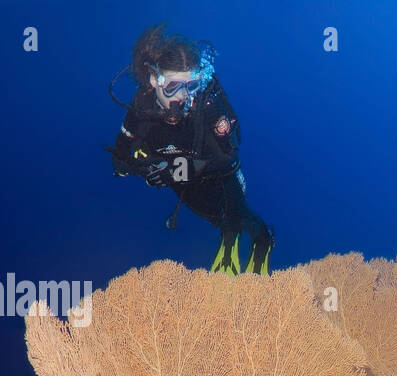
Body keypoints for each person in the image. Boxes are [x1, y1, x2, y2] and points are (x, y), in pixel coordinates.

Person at [107, 25, 273, 275]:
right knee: (214, 218)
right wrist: (148, 170)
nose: (183, 97)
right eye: (173, 87)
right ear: (154, 80)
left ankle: (261, 239)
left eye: (191, 86)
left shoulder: (206, 103)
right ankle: (235, 231)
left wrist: (174, 170)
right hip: (184, 184)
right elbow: (119, 160)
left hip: (220, 177)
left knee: (235, 215)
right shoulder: (141, 107)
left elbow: (228, 157)